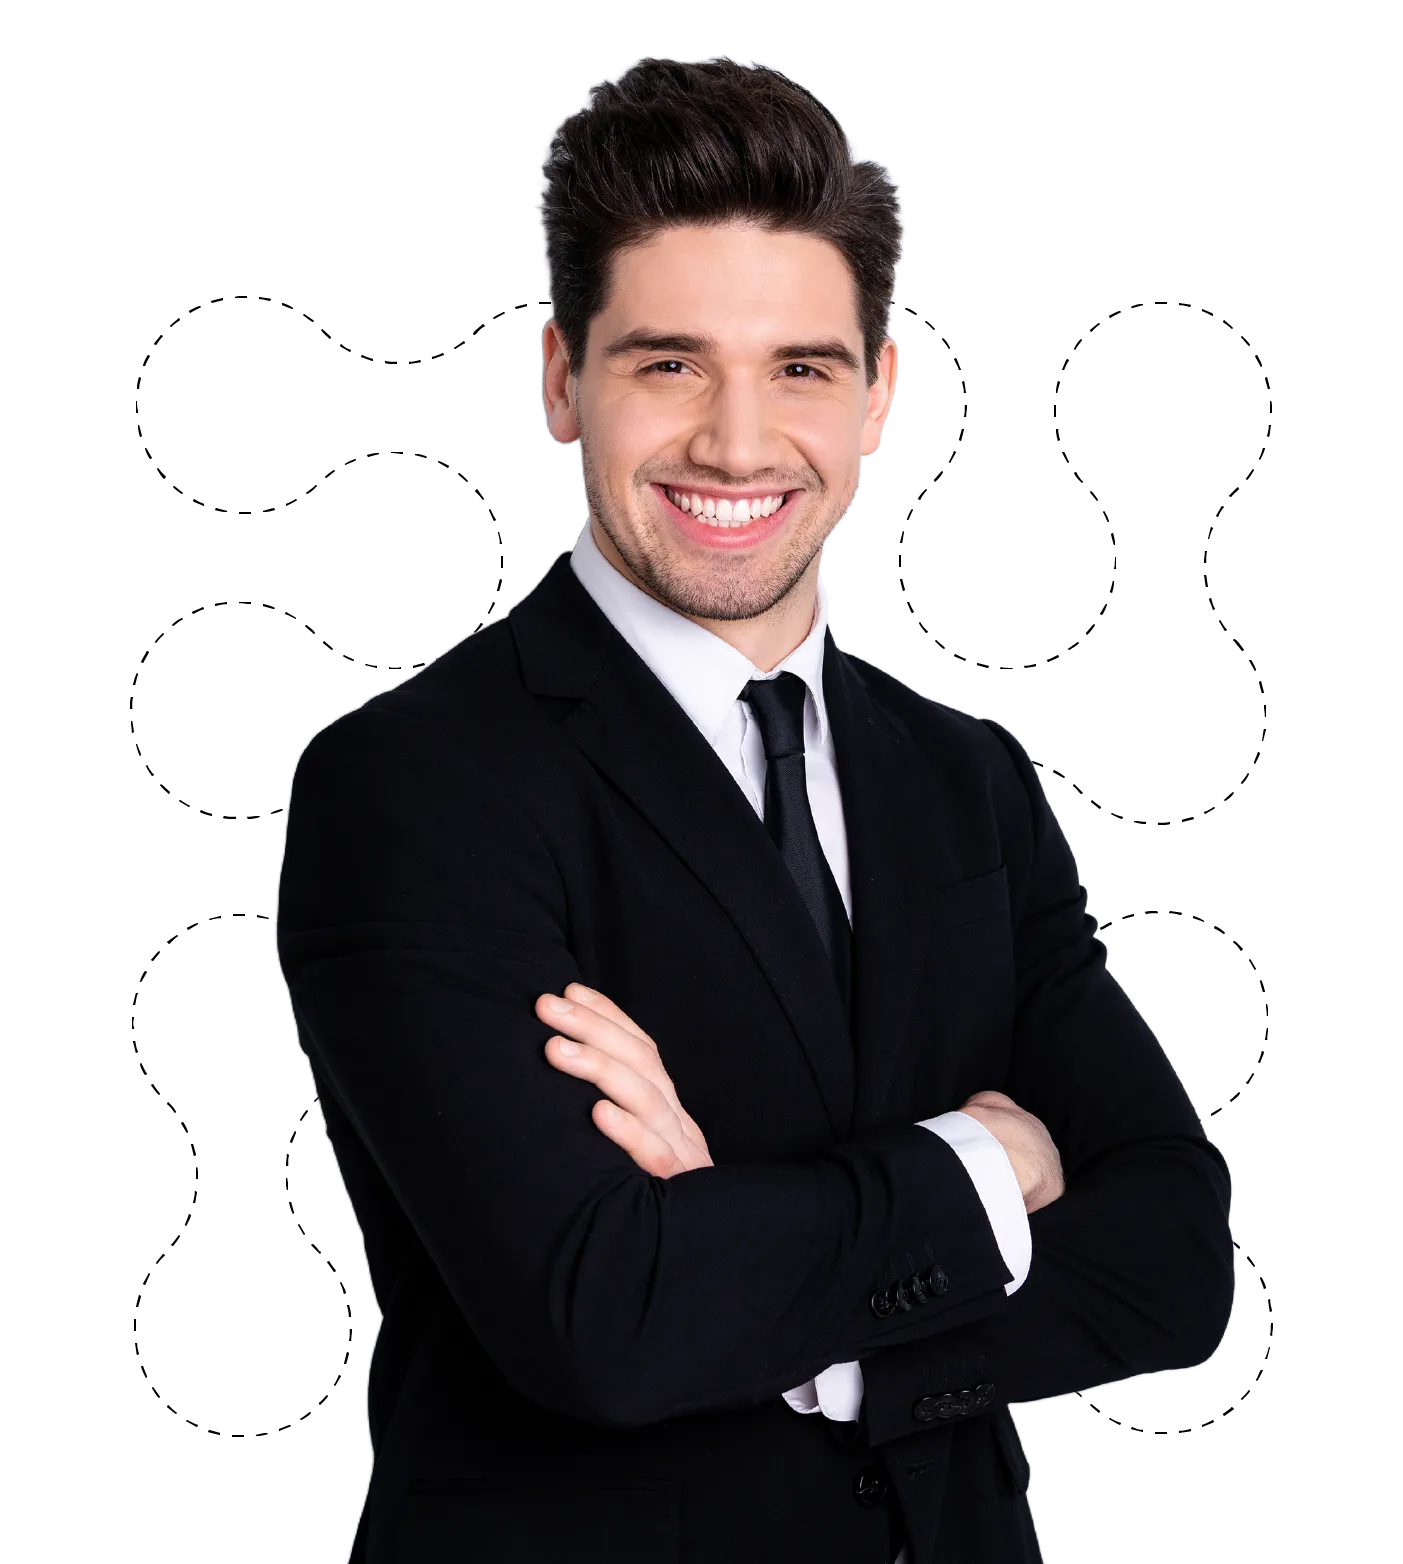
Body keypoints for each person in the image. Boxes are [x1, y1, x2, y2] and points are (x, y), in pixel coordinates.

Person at [273, 54, 1236, 1564]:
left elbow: (1172, 1259)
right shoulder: (414, 786)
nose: (735, 442)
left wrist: (798, 1312)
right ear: (558, 382)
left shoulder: (962, 779)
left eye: (799, 367)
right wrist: (987, 1166)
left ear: (876, 395)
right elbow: (606, 1316)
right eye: (668, 364)